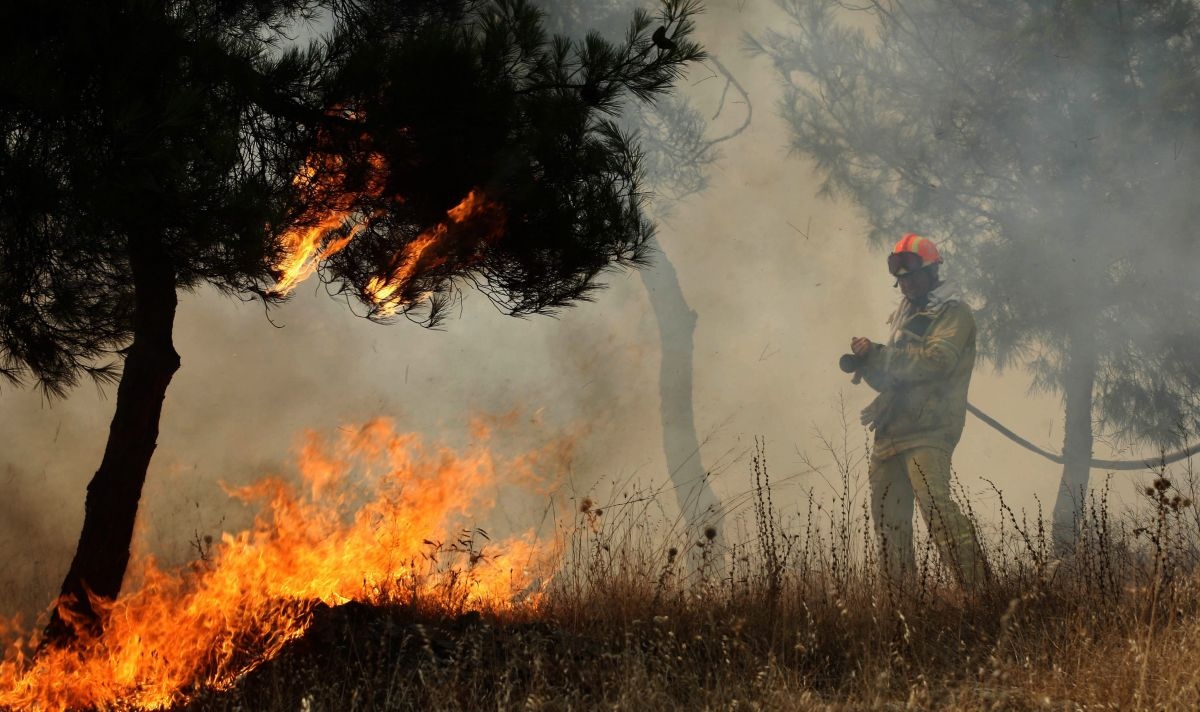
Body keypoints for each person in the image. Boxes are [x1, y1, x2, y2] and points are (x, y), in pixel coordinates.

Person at [847, 233, 987, 586]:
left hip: (929, 429)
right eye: (900, 278)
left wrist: (880, 354)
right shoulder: (902, 318)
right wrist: (869, 362)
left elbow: (935, 361)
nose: (905, 283)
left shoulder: (953, 313)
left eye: (911, 275)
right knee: (888, 523)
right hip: (890, 432)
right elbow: (891, 379)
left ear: (932, 271)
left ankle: (984, 594)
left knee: (937, 511)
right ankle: (902, 609)